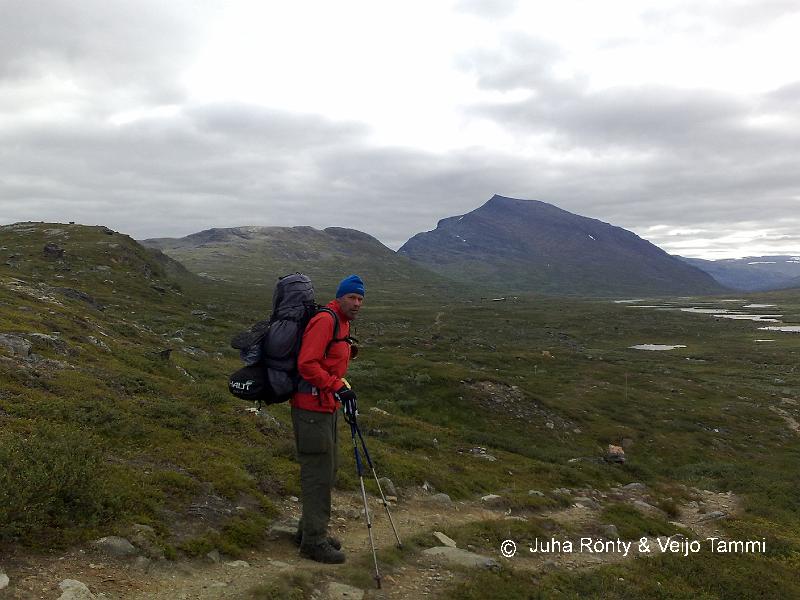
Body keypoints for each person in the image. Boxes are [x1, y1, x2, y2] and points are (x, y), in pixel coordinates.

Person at [291, 274, 364, 563]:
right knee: (318, 474)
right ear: (340, 297)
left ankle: (309, 530)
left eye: (360, 299)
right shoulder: (326, 320)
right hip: (311, 408)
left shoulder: (342, 323)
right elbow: (306, 364)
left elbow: (326, 357)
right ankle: (313, 542)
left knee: (329, 468)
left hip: (326, 407)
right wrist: (335, 385)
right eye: (352, 298)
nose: (357, 303)